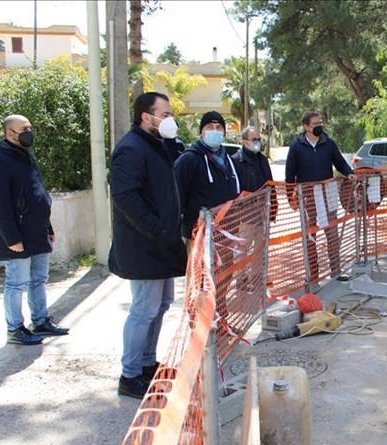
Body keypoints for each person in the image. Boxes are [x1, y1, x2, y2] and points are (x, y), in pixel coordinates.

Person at [108, 92, 187, 399]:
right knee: (144, 309)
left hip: (160, 244)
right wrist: (156, 229)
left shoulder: (154, 145)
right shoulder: (130, 148)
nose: (170, 120)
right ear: (146, 116)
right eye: (164, 114)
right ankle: (129, 376)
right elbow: (125, 196)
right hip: (144, 246)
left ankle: (146, 363)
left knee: (162, 304)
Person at [0, 114, 70, 346]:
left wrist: (48, 226)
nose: (28, 132)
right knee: (16, 283)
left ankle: (40, 321)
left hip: (38, 230)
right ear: (9, 132)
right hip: (17, 234)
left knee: (39, 279)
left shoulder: (24, 154)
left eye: (30, 127)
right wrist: (11, 237)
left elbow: (36, 192)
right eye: (23, 128)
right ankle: (14, 329)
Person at [285, 110, 354, 279]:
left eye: (320, 123)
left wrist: (349, 172)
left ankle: (335, 271)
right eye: (315, 124)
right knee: (310, 236)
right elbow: (289, 174)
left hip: (328, 192)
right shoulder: (296, 147)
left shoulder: (328, 143)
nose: (319, 126)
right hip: (307, 195)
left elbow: (339, 162)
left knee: (332, 234)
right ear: (306, 127)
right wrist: (291, 197)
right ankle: (313, 275)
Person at [174, 111, 241, 244]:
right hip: (197, 236)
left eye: (219, 128)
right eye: (209, 127)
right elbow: (175, 199)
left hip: (226, 234)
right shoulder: (189, 159)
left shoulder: (230, 161)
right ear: (201, 132)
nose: (215, 131)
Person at [231, 126, 277, 221]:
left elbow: (271, 185)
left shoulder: (263, 160)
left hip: (263, 212)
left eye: (259, 139)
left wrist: (273, 210)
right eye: (254, 139)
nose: (258, 142)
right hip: (244, 216)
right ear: (245, 141)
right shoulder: (235, 161)